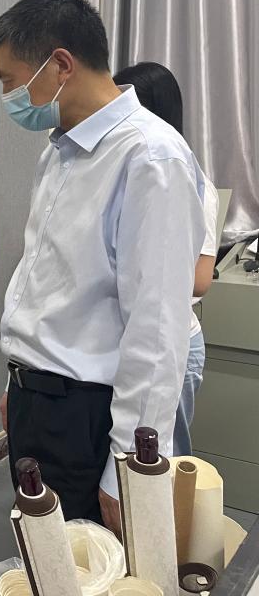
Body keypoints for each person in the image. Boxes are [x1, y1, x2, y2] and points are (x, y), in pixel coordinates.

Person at [0, 0, 204, 531]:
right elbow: (44, 279)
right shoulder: (59, 151)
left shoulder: (150, 157)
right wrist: (19, 383)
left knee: (92, 560)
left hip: (88, 414)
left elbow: (156, 327)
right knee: (45, 550)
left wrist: (129, 464)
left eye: (10, 80)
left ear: (60, 65)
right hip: (39, 400)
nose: (7, 96)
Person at [113, 62, 220, 456]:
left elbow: (201, 279)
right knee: (127, 458)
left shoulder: (188, 180)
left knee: (163, 460)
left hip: (174, 341)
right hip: (129, 339)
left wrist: (141, 273)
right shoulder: (124, 174)